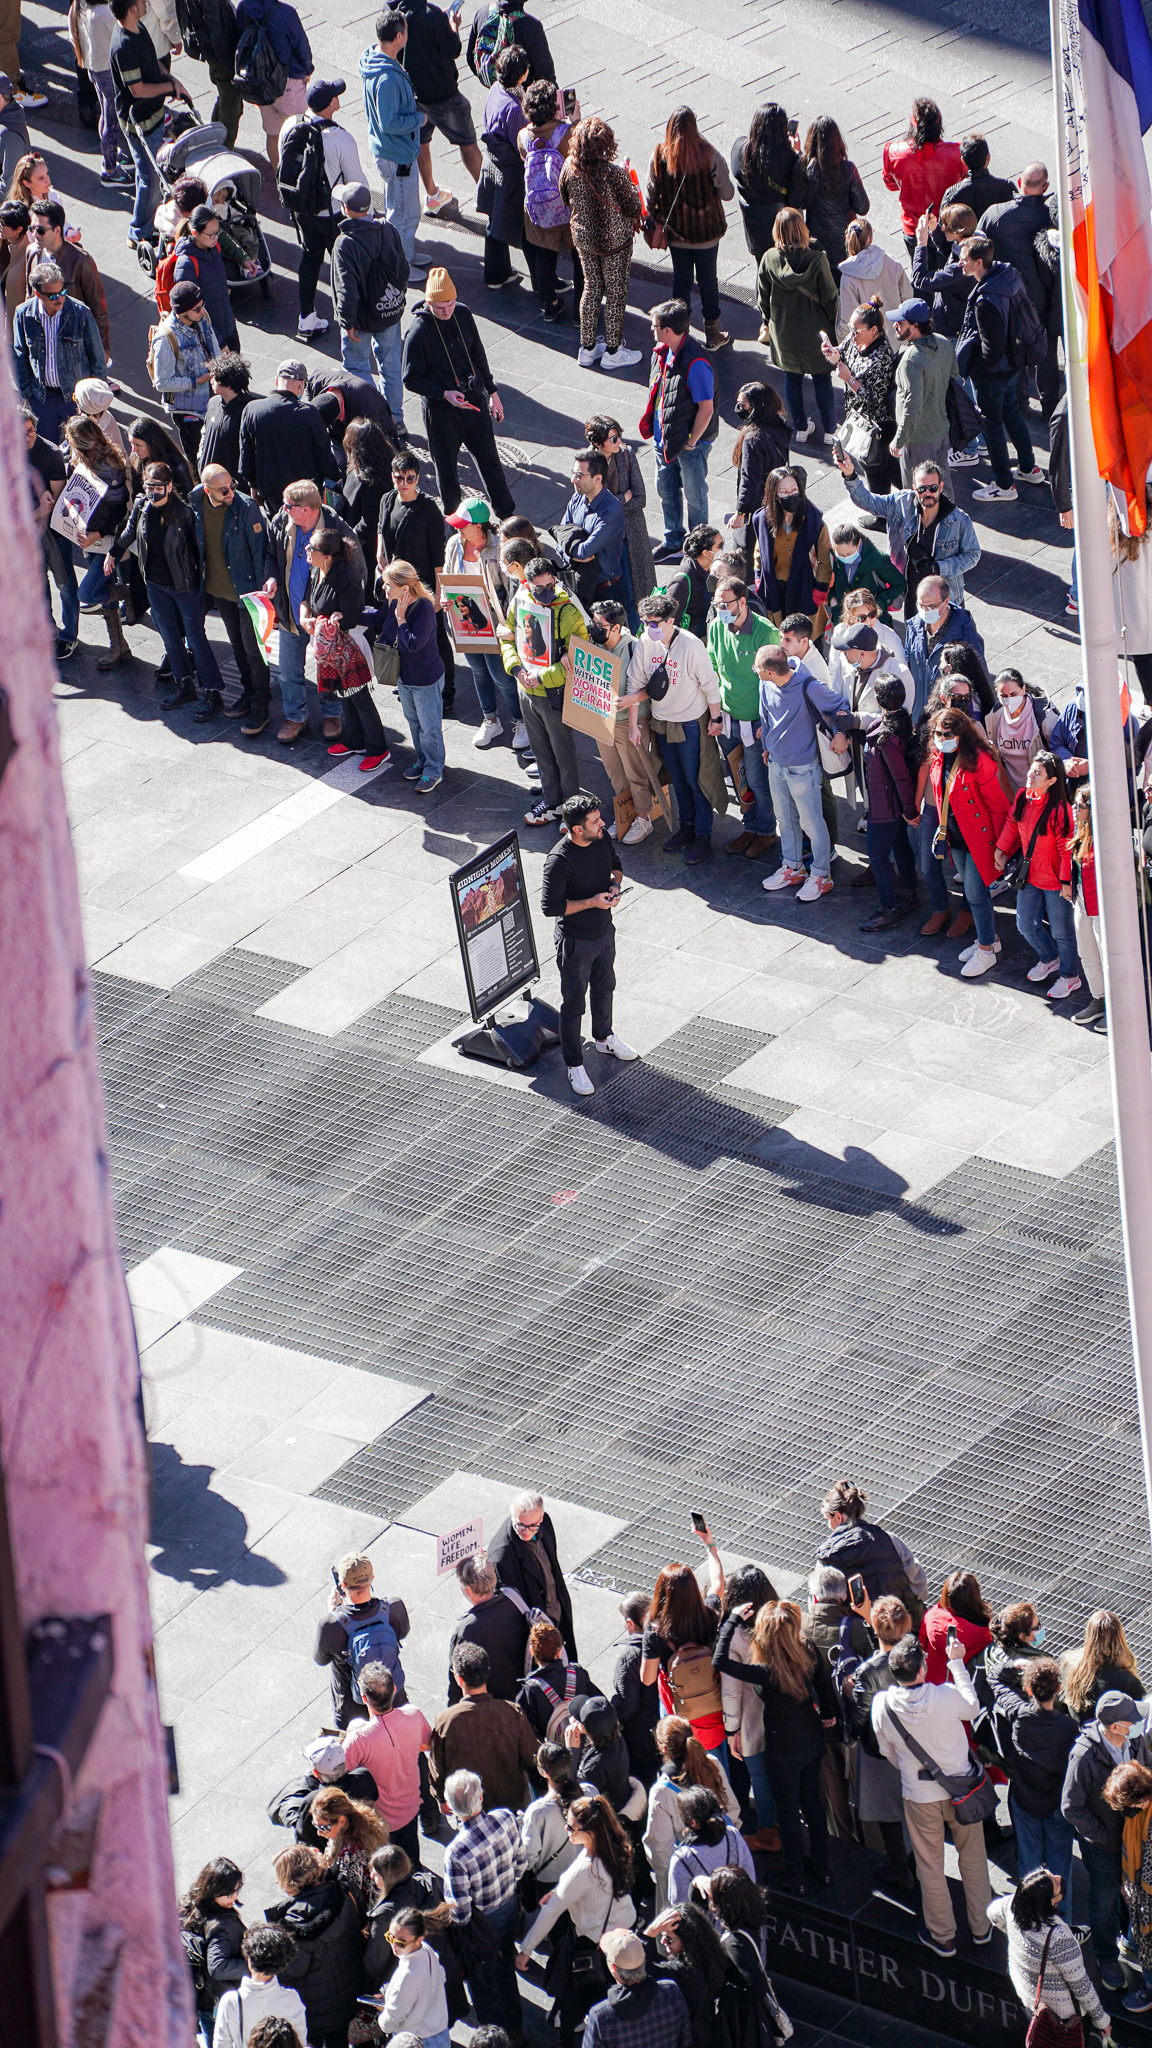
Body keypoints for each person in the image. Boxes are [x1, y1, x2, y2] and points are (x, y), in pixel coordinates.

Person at [871, 1630, 991, 1957]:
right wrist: (956, 1663)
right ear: (922, 1669)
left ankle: (943, 1937)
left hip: (919, 1796)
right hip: (962, 1790)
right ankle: (983, 1928)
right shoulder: (946, 1695)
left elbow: (887, 1753)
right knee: (974, 1857)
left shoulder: (882, 1705)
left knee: (930, 1867)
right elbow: (972, 1707)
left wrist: (911, 1772)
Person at [713, 1599, 837, 1894]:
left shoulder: (764, 1671)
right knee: (813, 1805)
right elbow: (824, 1684)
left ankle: (794, 1876)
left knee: (788, 1813)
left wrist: (730, 1620)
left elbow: (719, 1661)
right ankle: (822, 1869)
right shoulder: (807, 1650)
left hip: (783, 1753)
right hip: (811, 1741)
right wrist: (830, 1714)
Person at [515, 1794, 637, 2041]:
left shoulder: (587, 1867)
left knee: (576, 2001)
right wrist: (560, 1891)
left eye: (571, 1827)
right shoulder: (613, 1848)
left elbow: (551, 1912)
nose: (566, 1829)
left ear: (590, 1832)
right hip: (625, 1931)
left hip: (594, 1943)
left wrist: (525, 1950)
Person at [107, 461, 227, 715]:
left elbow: (200, 551)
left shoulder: (184, 513)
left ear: (170, 487)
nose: (153, 492)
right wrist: (113, 553)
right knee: (170, 639)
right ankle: (185, 685)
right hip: (155, 584)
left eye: (159, 487)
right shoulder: (142, 505)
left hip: (184, 586)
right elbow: (130, 531)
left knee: (196, 639)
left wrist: (204, 584)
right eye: (149, 486)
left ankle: (213, 693)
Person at [541, 792, 636, 1095]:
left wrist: (615, 886)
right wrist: (592, 902)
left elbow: (617, 866)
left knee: (605, 987)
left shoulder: (601, 839)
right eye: (595, 821)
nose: (603, 823)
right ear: (577, 829)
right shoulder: (558, 861)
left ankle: (604, 1038)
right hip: (575, 941)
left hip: (604, 932)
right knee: (573, 1003)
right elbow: (550, 907)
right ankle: (574, 1064)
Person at [401, 266, 514, 518]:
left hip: (473, 402)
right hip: (441, 413)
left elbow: (478, 355)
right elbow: (410, 378)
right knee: (447, 472)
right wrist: (444, 394)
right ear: (429, 302)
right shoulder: (418, 332)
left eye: (451, 303)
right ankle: (453, 520)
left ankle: (508, 517)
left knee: (490, 462)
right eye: (440, 307)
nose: (447, 311)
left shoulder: (462, 314)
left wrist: (493, 392)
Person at [1063, 1692, 1152, 1989]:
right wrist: (1102, 1836)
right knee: (1103, 1903)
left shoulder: (1134, 1740)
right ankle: (1106, 1957)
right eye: (1132, 1721)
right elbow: (1070, 1807)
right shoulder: (1084, 1756)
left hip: (1135, 1839)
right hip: (1103, 1847)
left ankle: (1132, 1942)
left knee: (1135, 1894)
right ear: (1115, 1726)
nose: (1139, 1725)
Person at [627, 592, 724, 863]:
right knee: (677, 780)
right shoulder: (645, 641)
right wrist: (634, 725)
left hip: (691, 723)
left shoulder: (691, 645)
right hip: (661, 722)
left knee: (697, 781)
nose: (649, 628)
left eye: (655, 623)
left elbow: (710, 685)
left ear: (671, 621)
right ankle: (687, 828)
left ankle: (703, 837)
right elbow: (635, 682)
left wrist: (715, 720)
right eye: (646, 622)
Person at [756, 639, 849, 901]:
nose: (757, 672)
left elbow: (840, 706)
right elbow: (766, 716)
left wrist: (841, 734)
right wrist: (767, 747)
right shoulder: (765, 683)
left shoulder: (809, 686)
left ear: (772, 671)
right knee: (784, 819)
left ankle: (821, 875)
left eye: (758, 669)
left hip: (803, 768)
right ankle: (793, 868)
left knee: (811, 822)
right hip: (776, 762)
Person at [956, 232, 1045, 502]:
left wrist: (977, 371)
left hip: (993, 375)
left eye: (964, 260)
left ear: (979, 263)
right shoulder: (1009, 277)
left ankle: (1004, 485)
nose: (960, 264)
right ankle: (1029, 467)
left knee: (993, 427)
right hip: (1014, 365)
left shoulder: (985, 300)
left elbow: (991, 349)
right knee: (1013, 416)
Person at [835, 446, 981, 609]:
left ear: (940, 487)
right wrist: (850, 475)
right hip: (912, 594)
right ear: (914, 488)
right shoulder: (900, 503)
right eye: (922, 489)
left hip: (945, 598)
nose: (927, 493)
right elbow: (867, 501)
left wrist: (938, 568)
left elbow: (972, 555)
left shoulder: (959, 520)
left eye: (932, 488)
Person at [987, 1656, 1078, 1908]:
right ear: (1058, 1689)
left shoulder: (1018, 1713)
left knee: (1029, 1868)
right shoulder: (1069, 1727)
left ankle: (1031, 1920)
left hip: (1025, 1800)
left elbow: (994, 1677)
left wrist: (1015, 1663)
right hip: (1056, 1804)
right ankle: (1062, 1928)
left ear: (1028, 1690)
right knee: (1061, 1871)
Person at [277, 80, 365, 340]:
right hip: (333, 214)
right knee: (343, 265)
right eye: (336, 95)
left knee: (310, 258)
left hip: (302, 210)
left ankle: (306, 318)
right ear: (330, 105)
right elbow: (356, 183)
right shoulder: (341, 139)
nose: (339, 97)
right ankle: (349, 320)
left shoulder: (290, 125)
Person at [441, 1768, 526, 2038]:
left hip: (482, 1926)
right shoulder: (506, 1818)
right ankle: (516, 2030)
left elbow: (461, 1913)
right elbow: (521, 1864)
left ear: (450, 1808)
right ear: (481, 1797)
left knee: (485, 1986)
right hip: (510, 1907)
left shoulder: (456, 1852)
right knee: (506, 1969)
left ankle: (496, 2039)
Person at [502, 555, 584, 824]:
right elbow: (508, 639)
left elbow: (578, 659)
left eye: (550, 585)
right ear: (528, 584)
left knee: (563, 754)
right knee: (540, 751)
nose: (547, 592)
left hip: (553, 693)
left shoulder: (567, 610)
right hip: (527, 690)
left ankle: (572, 809)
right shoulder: (521, 601)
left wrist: (542, 677)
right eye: (540, 588)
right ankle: (552, 803)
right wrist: (516, 670)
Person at [646, 104, 733, 353]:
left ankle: (678, 333)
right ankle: (713, 334)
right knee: (708, 282)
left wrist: (653, 218)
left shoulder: (661, 155)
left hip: (677, 233)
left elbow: (652, 193)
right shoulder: (709, 155)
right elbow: (726, 193)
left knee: (681, 282)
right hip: (707, 235)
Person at [995, 750, 1081, 999]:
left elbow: (1066, 850)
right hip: (1029, 877)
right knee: (1024, 925)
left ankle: (1070, 976)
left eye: (1038, 772)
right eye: (1032, 769)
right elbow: (1013, 822)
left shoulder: (1061, 810)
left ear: (1052, 781)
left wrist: (1066, 882)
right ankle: (1049, 957)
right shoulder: (1023, 795)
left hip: (1054, 882)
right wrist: (1000, 849)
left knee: (1062, 933)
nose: (1031, 774)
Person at [559, 116, 642, 369]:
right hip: (615, 242)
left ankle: (587, 347)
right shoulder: (614, 174)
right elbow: (634, 206)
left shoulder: (569, 167)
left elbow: (564, 197)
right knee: (615, 294)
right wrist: (628, 177)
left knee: (590, 288)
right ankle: (614, 351)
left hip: (584, 239)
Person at [110, 0, 194, 248]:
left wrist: (171, 79)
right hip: (140, 122)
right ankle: (139, 231)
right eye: (141, 1)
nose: (146, 2)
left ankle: (144, 223)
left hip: (153, 115)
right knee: (151, 178)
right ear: (132, 9)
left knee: (147, 175)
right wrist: (168, 88)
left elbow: (153, 60)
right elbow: (137, 89)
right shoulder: (123, 46)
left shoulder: (139, 27)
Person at [979, 163, 1061, 417]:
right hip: (1042, 299)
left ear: (1019, 182)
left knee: (1014, 348)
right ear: (1045, 188)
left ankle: (1019, 402)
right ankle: (1050, 405)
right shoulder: (1050, 218)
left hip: (1008, 298)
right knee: (1046, 351)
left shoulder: (995, 214)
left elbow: (978, 248)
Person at [190, 464, 268, 730]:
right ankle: (248, 692)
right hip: (219, 591)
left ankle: (261, 704)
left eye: (232, 485)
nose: (231, 492)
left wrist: (261, 597)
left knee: (252, 650)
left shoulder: (246, 508)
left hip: (246, 592)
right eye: (223, 490)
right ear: (206, 490)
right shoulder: (196, 503)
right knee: (237, 646)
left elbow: (259, 555)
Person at [708, 574, 780, 859]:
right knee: (740, 780)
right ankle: (749, 827)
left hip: (755, 722)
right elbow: (712, 667)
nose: (720, 610)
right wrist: (715, 715)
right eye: (716, 605)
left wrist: (768, 721)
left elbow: (774, 681)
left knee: (758, 780)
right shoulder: (716, 627)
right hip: (727, 719)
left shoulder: (766, 632)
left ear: (742, 601)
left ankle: (766, 831)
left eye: (725, 604)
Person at [989, 1870, 1113, 2035]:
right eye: (1055, 1883)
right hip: (1063, 2015)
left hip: (1029, 1996)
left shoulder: (1012, 1904)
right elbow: (1080, 1985)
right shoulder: (1059, 1937)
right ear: (1052, 1902)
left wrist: (1013, 1935)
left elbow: (991, 1913)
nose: (1058, 1878)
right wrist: (1100, 2019)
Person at [328, 180, 408, 433]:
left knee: (356, 368)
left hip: (360, 321)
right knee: (391, 365)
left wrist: (346, 321)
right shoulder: (388, 229)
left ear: (346, 209)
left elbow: (346, 289)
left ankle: (370, 423)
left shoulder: (345, 243)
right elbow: (403, 271)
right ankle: (395, 419)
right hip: (389, 314)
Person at [639, 299, 717, 557]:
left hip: (687, 444)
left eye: (655, 326)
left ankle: (698, 547)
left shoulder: (695, 362)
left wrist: (692, 442)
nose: (652, 329)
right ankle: (673, 540)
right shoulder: (661, 351)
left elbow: (707, 409)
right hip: (665, 440)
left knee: (695, 497)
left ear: (668, 331)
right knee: (666, 490)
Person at [639, 1529, 727, 1757]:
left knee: (682, 1759)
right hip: (712, 1700)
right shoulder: (708, 1615)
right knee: (718, 1759)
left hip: (679, 1707)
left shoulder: (655, 1630)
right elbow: (718, 1582)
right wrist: (709, 1543)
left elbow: (647, 1679)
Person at [265, 1845, 362, 2048]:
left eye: (279, 1876)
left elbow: (294, 1969)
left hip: (318, 2008)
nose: (276, 1881)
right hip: (349, 1985)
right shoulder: (342, 1891)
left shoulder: (294, 1923)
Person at [757, 209, 838, 444]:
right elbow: (830, 297)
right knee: (823, 380)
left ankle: (801, 428)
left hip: (784, 332)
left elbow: (762, 297)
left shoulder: (769, 258)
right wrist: (836, 325)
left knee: (792, 380)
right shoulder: (817, 259)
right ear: (802, 229)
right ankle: (831, 431)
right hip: (816, 331)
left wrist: (768, 320)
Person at [643, 1717, 741, 1912]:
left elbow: (660, 1849)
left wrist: (667, 1878)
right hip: (725, 1858)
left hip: (690, 1873)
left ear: (663, 1749)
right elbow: (732, 1811)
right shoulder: (712, 1763)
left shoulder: (662, 1791)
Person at [429, 1642, 538, 1811]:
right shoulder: (511, 1712)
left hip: (469, 1807)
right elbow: (532, 1755)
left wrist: (440, 1797)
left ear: (458, 1679)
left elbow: (437, 1768)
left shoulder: (445, 1721)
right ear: (488, 1671)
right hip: (511, 1804)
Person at [396, 0, 483, 211]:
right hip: (445, 97)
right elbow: (453, 49)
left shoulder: (396, 14)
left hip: (415, 95)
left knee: (422, 142)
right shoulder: (431, 14)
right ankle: (487, 198)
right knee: (468, 142)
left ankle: (433, 195)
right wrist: (452, 25)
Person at [341, 1660, 431, 1865]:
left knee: (387, 1871)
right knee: (412, 1863)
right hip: (410, 1810)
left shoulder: (358, 1740)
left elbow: (342, 1774)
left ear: (363, 1698)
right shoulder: (413, 1714)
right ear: (394, 1690)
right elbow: (426, 1744)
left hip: (380, 1822)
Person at [313, 1551, 411, 1729]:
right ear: (372, 1577)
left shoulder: (330, 1625)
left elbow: (320, 1659)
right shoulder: (394, 1608)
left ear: (342, 1585)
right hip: (394, 1701)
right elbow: (402, 1633)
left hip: (353, 1713)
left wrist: (333, 1612)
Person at [360, 11, 425, 274]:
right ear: (399, 36)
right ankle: (401, 267)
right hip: (396, 155)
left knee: (403, 210)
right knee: (402, 215)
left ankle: (406, 254)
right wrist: (418, 119)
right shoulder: (386, 78)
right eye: (406, 32)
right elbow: (390, 123)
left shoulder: (378, 61)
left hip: (392, 152)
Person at [13, 260, 105, 442]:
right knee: (48, 450)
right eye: (53, 295)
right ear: (38, 294)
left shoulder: (81, 314)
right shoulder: (23, 315)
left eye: (63, 291)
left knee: (82, 449)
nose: (61, 298)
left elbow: (98, 360)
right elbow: (20, 355)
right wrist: (28, 394)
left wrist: (95, 401)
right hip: (41, 398)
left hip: (75, 399)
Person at [374, 556, 444, 788]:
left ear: (404, 588)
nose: (383, 587)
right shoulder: (395, 602)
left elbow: (414, 644)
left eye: (387, 584)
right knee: (414, 723)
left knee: (429, 727)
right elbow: (383, 625)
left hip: (425, 679)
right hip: (404, 677)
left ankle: (434, 770)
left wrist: (402, 619)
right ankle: (423, 760)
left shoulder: (422, 607)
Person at [517, 79, 579, 324]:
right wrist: (575, 120)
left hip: (538, 208)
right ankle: (580, 312)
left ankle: (550, 305)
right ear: (555, 108)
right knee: (579, 258)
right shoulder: (567, 134)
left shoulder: (523, 136)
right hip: (567, 206)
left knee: (544, 254)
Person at [822, 300, 898, 497]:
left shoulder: (881, 358)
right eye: (850, 329)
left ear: (873, 330)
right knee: (886, 464)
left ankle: (881, 514)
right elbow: (843, 350)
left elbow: (873, 399)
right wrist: (833, 354)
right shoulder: (857, 338)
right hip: (860, 418)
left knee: (874, 469)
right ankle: (908, 491)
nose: (852, 334)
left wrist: (848, 379)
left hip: (877, 425)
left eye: (856, 330)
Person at [585, 416, 655, 629]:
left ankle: (637, 638)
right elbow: (591, 505)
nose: (618, 442)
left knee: (636, 594)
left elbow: (640, 498)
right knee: (613, 598)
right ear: (598, 443)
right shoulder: (587, 464)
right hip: (606, 540)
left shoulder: (626, 455)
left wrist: (610, 505)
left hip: (631, 535)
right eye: (613, 439)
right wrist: (623, 498)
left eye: (618, 436)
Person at [239, 360, 334, 516]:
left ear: (277, 381)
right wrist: (334, 478)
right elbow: (323, 455)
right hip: (304, 494)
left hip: (270, 493)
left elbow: (246, 453)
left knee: (277, 534)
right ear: (302, 384)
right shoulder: (309, 413)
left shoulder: (252, 409)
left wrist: (253, 486)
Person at [233, 0, 312, 172]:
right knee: (301, 132)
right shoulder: (286, 13)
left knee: (273, 133)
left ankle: (278, 175)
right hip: (287, 82)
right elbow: (301, 46)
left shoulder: (245, 6)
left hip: (259, 82)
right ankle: (299, 178)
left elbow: (238, 36)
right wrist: (308, 69)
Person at [26, 199, 110, 359]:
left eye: (41, 230)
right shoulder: (32, 252)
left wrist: (102, 348)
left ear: (57, 230)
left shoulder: (80, 260)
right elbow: (29, 293)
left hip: (72, 339)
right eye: (32, 228)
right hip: (42, 337)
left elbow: (97, 305)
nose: (34, 234)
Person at [582, 1928, 693, 2048]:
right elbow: (686, 2041)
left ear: (613, 1968)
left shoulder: (600, 2015)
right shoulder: (671, 1991)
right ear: (643, 1957)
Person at [149, 278, 220, 464]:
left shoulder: (202, 318)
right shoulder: (165, 339)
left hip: (212, 398)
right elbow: (162, 383)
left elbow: (212, 344)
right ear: (180, 312)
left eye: (202, 305)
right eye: (196, 309)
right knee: (199, 458)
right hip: (189, 410)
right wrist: (198, 380)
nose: (202, 311)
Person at [882, 98, 963, 257]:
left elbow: (890, 184)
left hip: (913, 226)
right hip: (946, 226)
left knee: (920, 271)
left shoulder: (893, 152)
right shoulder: (956, 153)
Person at [476, 42, 529, 288]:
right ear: (522, 75)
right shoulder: (515, 109)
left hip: (492, 164)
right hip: (509, 171)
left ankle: (496, 274)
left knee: (494, 221)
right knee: (522, 227)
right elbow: (522, 145)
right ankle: (543, 283)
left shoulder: (496, 88)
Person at [887, 297, 955, 486]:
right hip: (941, 430)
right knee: (942, 486)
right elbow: (954, 376)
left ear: (915, 326)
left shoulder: (911, 360)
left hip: (917, 439)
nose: (895, 326)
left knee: (917, 494)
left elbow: (912, 406)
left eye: (900, 323)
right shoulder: (943, 343)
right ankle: (948, 517)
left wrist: (899, 440)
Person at [447, 1549, 529, 1704]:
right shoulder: (513, 1600)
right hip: (523, 1694)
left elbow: (457, 1680)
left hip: (493, 1705)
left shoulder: (466, 1630)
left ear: (469, 1591)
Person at [727, 383, 790, 579]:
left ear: (757, 406)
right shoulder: (778, 426)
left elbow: (749, 480)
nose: (739, 408)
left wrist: (740, 512)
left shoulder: (753, 438)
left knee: (743, 554)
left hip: (756, 507)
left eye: (743, 405)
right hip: (774, 502)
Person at [730, 102, 806, 266]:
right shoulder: (788, 159)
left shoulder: (740, 150)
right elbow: (798, 198)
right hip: (784, 232)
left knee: (762, 269)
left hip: (756, 233)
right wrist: (798, 154)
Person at [645, 1899, 727, 2048]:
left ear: (687, 1941)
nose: (663, 1941)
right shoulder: (713, 1958)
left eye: (669, 1939)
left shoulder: (680, 1973)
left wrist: (650, 1932)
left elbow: (637, 1965)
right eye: (661, 1935)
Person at [903, 572, 985, 721]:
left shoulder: (966, 636)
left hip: (947, 723)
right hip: (919, 717)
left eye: (932, 606)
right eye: (921, 605)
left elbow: (978, 684)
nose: (926, 611)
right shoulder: (914, 627)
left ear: (946, 602)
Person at [181, 1858, 246, 2038]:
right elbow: (217, 1967)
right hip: (220, 2001)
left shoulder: (188, 1905)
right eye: (230, 1893)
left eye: (237, 1890)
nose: (235, 1897)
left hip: (203, 1999)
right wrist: (252, 1967)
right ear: (214, 1891)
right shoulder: (221, 1926)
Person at [211, 1927, 306, 2048]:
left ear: (250, 1960)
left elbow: (221, 2045)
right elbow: (301, 2041)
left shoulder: (231, 2000)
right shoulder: (292, 1998)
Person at [800, 115, 869, 280]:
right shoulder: (848, 169)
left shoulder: (808, 169)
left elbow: (799, 202)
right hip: (845, 243)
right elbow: (863, 207)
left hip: (817, 243)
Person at [309, 1783, 389, 1916]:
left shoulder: (350, 1855)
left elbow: (351, 1897)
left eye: (323, 1828)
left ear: (341, 1821)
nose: (319, 1833)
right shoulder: (359, 1821)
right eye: (315, 1825)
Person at [561, 446, 627, 607]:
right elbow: (559, 532)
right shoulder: (577, 497)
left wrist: (568, 548)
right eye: (573, 473)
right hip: (578, 583)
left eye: (579, 475)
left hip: (605, 592)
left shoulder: (611, 511)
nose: (573, 480)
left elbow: (585, 551)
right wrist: (572, 555)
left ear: (597, 478)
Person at [375, 1909, 451, 2047]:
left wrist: (384, 2011)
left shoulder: (407, 1976)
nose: (394, 1945)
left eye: (401, 1941)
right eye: (390, 1937)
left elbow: (389, 2024)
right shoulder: (427, 1950)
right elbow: (442, 1976)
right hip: (441, 2034)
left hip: (419, 2042)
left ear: (419, 1939)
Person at [666, 1786, 755, 1904]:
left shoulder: (682, 1858)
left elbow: (678, 1905)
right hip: (739, 1915)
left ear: (692, 1823)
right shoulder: (733, 1834)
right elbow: (750, 1879)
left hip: (706, 1921)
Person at [1064, 784, 1106, 1026]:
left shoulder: (1104, 836)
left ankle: (1116, 1007)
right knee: (1087, 955)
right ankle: (1099, 999)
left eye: (1079, 806)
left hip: (1102, 907)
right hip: (1082, 902)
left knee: (1106, 956)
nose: (1074, 809)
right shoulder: (1080, 830)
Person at [172, 205, 237, 355]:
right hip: (210, 339)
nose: (216, 238)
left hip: (228, 328)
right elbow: (192, 312)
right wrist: (219, 342)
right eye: (211, 234)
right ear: (195, 232)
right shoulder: (186, 264)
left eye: (217, 233)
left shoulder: (214, 248)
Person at [910, 202, 977, 346]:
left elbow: (920, 280)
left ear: (960, 230)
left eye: (946, 225)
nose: (943, 227)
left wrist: (921, 244)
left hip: (951, 332)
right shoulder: (972, 244)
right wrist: (934, 229)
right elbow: (950, 249)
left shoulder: (960, 269)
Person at [837, 216, 911, 346]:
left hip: (870, 345)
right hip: (895, 337)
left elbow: (847, 319)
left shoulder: (848, 278)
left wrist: (840, 341)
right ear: (871, 238)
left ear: (848, 238)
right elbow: (908, 295)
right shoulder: (892, 262)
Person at [1063, 1612, 1145, 1727]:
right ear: (1120, 1637)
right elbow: (1145, 1715)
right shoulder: (1127, 1682)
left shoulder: (1071, 1668)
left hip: (1082, 1739)